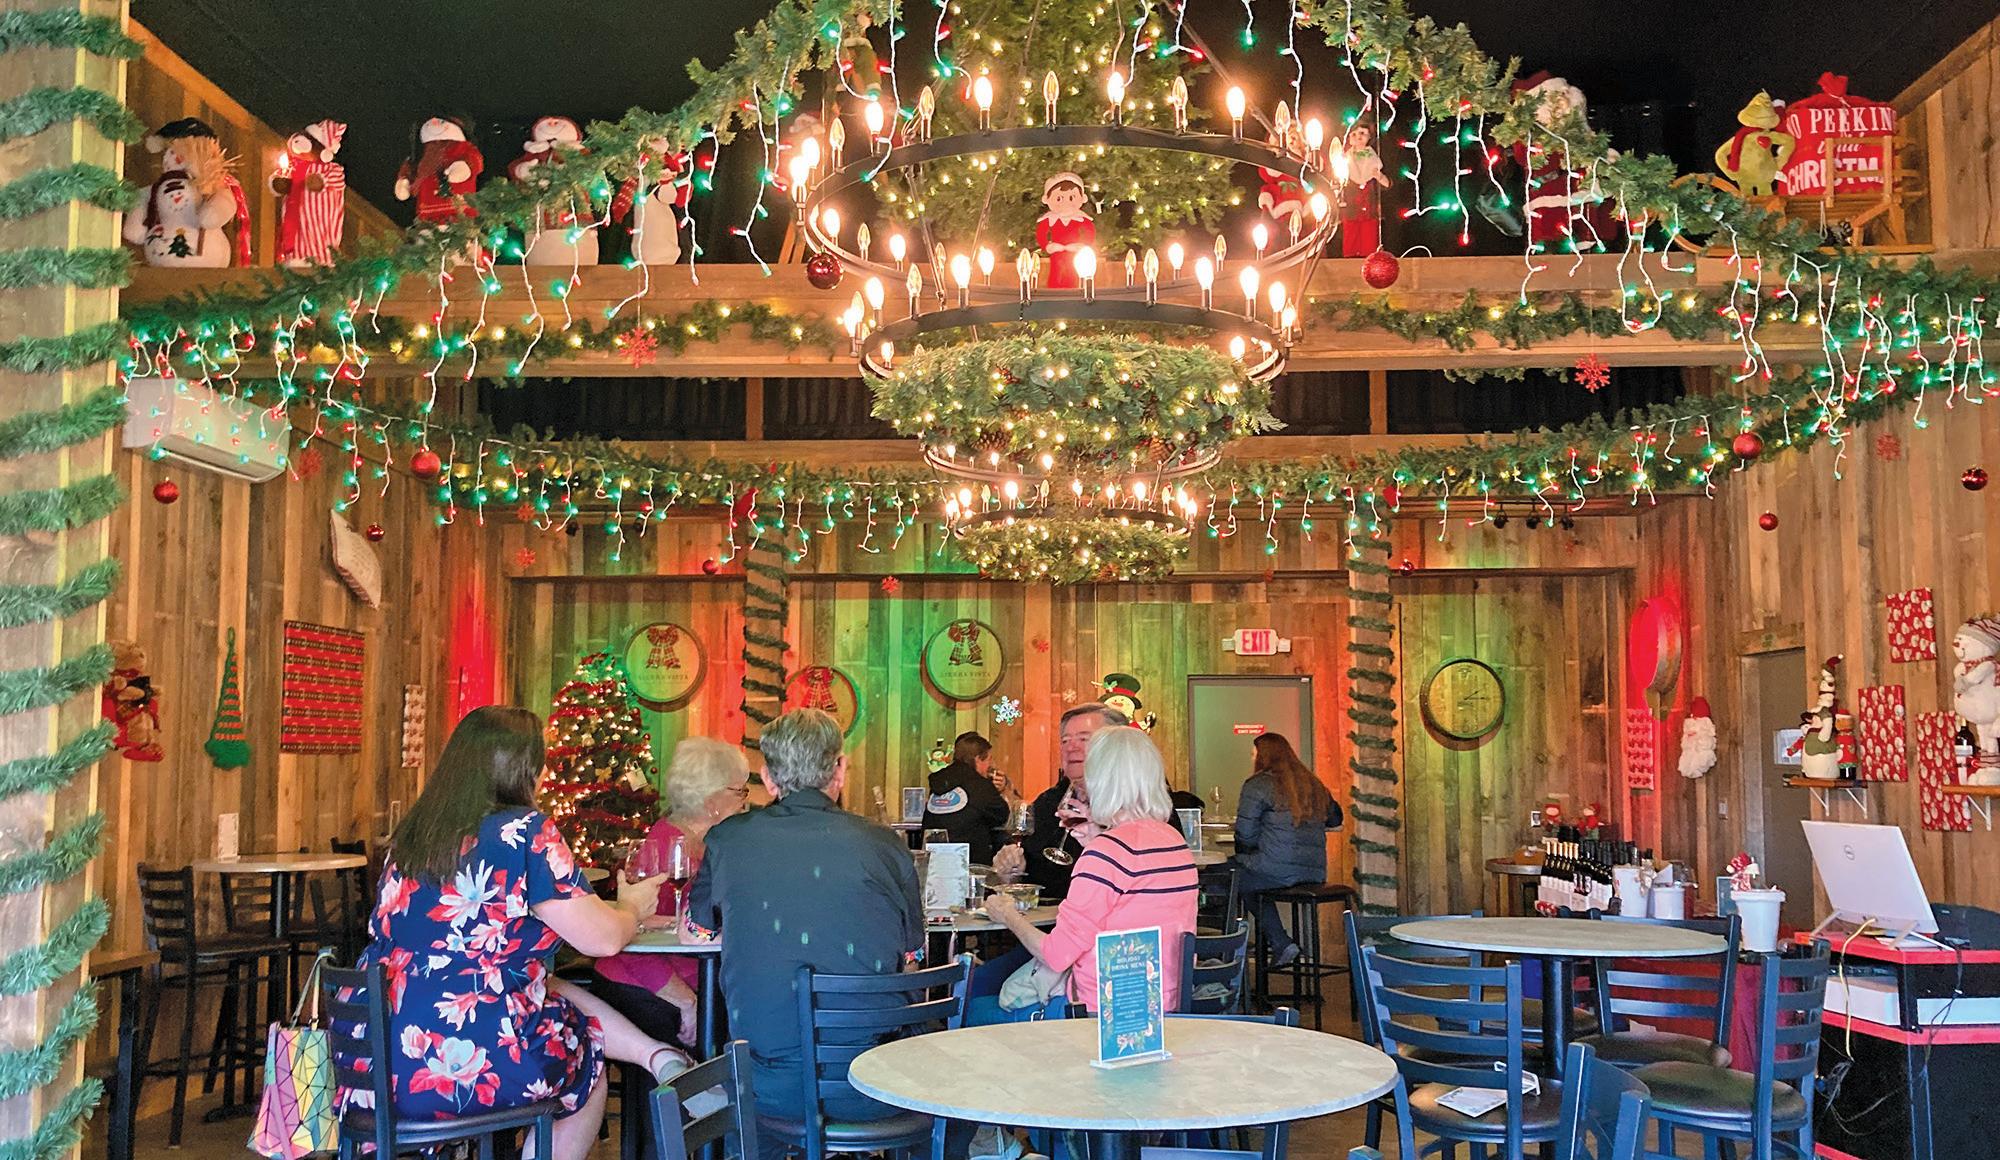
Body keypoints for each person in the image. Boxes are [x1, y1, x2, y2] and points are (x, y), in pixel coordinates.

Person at [343, 707, 687, 1160]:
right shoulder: (524, 831)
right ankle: (657, 1056)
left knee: (543, 987)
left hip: (374, 1057)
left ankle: (655, 1054)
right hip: (464, 1058)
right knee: (585, 1063)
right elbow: (601, 940)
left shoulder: (414, 833)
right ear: (526, 770)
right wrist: (632, 908)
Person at [682, 708, 924, 1160]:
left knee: (751, 1109)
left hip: (767, 1091)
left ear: (768, 778)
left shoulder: (728, 839)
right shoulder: (886, 845)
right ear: (839, 769)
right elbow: (912, 960)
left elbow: (695, 933)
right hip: (878, 1083)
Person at [982, 726, 1199, 1014]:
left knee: (977, 1005)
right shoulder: (1173, 841)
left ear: (1100, 779)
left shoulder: (1107, 852)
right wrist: (1098, 839)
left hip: (1100, 1016)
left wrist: (1007, 914)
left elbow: (1057, 955)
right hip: (1164, 1007)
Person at [592, 737, 751, 1046]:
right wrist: (687, 1002)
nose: (745, 801)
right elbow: (634, 937)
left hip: (696, 977)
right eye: (739, 791)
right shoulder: (666, 846)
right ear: (711, 802)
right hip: (644, 987)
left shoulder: (708, 843)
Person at [1230, 732, 1344, 966]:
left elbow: (1245, 834)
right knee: (1247, 880)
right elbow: (1335, 819)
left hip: (1276, 870)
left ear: (1263, 756)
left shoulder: (1258, 784)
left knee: (1230, 877)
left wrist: (1247, 853)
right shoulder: (1312, 782)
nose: (1252, 758)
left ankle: (1232, 956)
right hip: (1314, 873)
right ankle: (1279, 943)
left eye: (1254, 753)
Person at [999, 702, 1127, 898]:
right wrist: (1013, 871)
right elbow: (1032, 874)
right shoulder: (1050, 802)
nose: (1071, 747)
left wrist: (1102, 847)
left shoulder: (1138, 804)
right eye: (1065, 741)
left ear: (1116, 747)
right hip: (1053, 915)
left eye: (1084, 739)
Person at [922, 731, 1010, 864]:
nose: (991, 765)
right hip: (969, 863)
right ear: (978, 759)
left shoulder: (940, 782)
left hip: (934, 861)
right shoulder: (979, 785)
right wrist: (1000, 791)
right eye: (989, 759)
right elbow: (1002, 816)